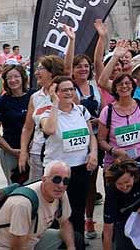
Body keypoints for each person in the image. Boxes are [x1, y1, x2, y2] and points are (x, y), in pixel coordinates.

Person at [40, 75, 98, 234]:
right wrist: (54, 103)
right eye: (63, 90)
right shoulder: (46, 113)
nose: (68, 93)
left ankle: (78, 242)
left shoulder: (81, 110)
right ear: (55, 92)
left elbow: (91, 136)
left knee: (77, 211)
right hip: (57, 172)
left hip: (80, 168)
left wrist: (93, 153)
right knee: (55, 212)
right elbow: (50, 130)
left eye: (71, 89)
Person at [0, 160, 77, 250]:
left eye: (66, 181)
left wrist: (71, 247)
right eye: (56, 179)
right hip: (7, 246)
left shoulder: (60, 193)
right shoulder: (23, 204)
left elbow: (65, 223)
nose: (61, 185)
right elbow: (17, 246)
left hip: (32, 240)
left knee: (74, 239)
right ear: (44, 179)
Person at [19, 55, 64, 181]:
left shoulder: (66, 93)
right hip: (37, 153)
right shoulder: (35, 97)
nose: (36, 73)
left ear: (52, 72)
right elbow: (28, 128)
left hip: (60, 152)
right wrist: (23, 152)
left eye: (40, 69)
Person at [102, 158, 140, 250]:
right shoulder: (111, 193)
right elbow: (108, 229)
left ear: (134, 176)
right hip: (124, 218)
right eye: (119, 184)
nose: (124, 187)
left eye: (127, 182)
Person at [98, 72, 140, 165]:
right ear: (115, 89)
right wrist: (114, 151)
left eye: (127, 83)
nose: (124, 86)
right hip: (117, 160)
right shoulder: (107, 111)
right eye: (120, 84)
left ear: (133, 86)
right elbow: (101, 140)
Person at [0, 63, 32, 184]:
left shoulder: (34, 96)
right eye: (9, 78)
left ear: (23, 78)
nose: (13, 80)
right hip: (11, 151)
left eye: (16, 76)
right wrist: (11, 150)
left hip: (34, 151)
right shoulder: (2, 102)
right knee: (15, 186)